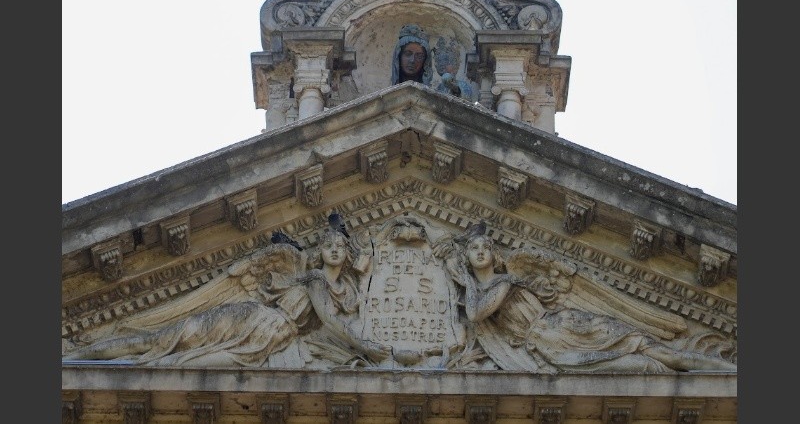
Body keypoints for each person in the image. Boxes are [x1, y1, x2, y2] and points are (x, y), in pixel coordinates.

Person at [62, 228, 391, 367]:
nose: (334, 250)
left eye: (340, 246)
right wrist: (365, 347)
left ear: (348, 253)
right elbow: (330, 321)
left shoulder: (344, 289)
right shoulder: (315, 278)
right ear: (319, 251)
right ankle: (75, 357)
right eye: (328, 245)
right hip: (253, 321)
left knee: (177, 361)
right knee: (160, 341)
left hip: (269, 339)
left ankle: (113, 366)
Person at [439, 233, 738, 373]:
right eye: (473, 248)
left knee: (649, 347)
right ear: (467, 256)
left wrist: (464, 277)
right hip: (551, 345)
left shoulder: (504, 282)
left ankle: (726, 371)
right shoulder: (484, 288)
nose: (480, 251)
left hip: (569, 326)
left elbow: (476, 313)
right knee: (645, 365)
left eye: (485, 246)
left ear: (495, 254)